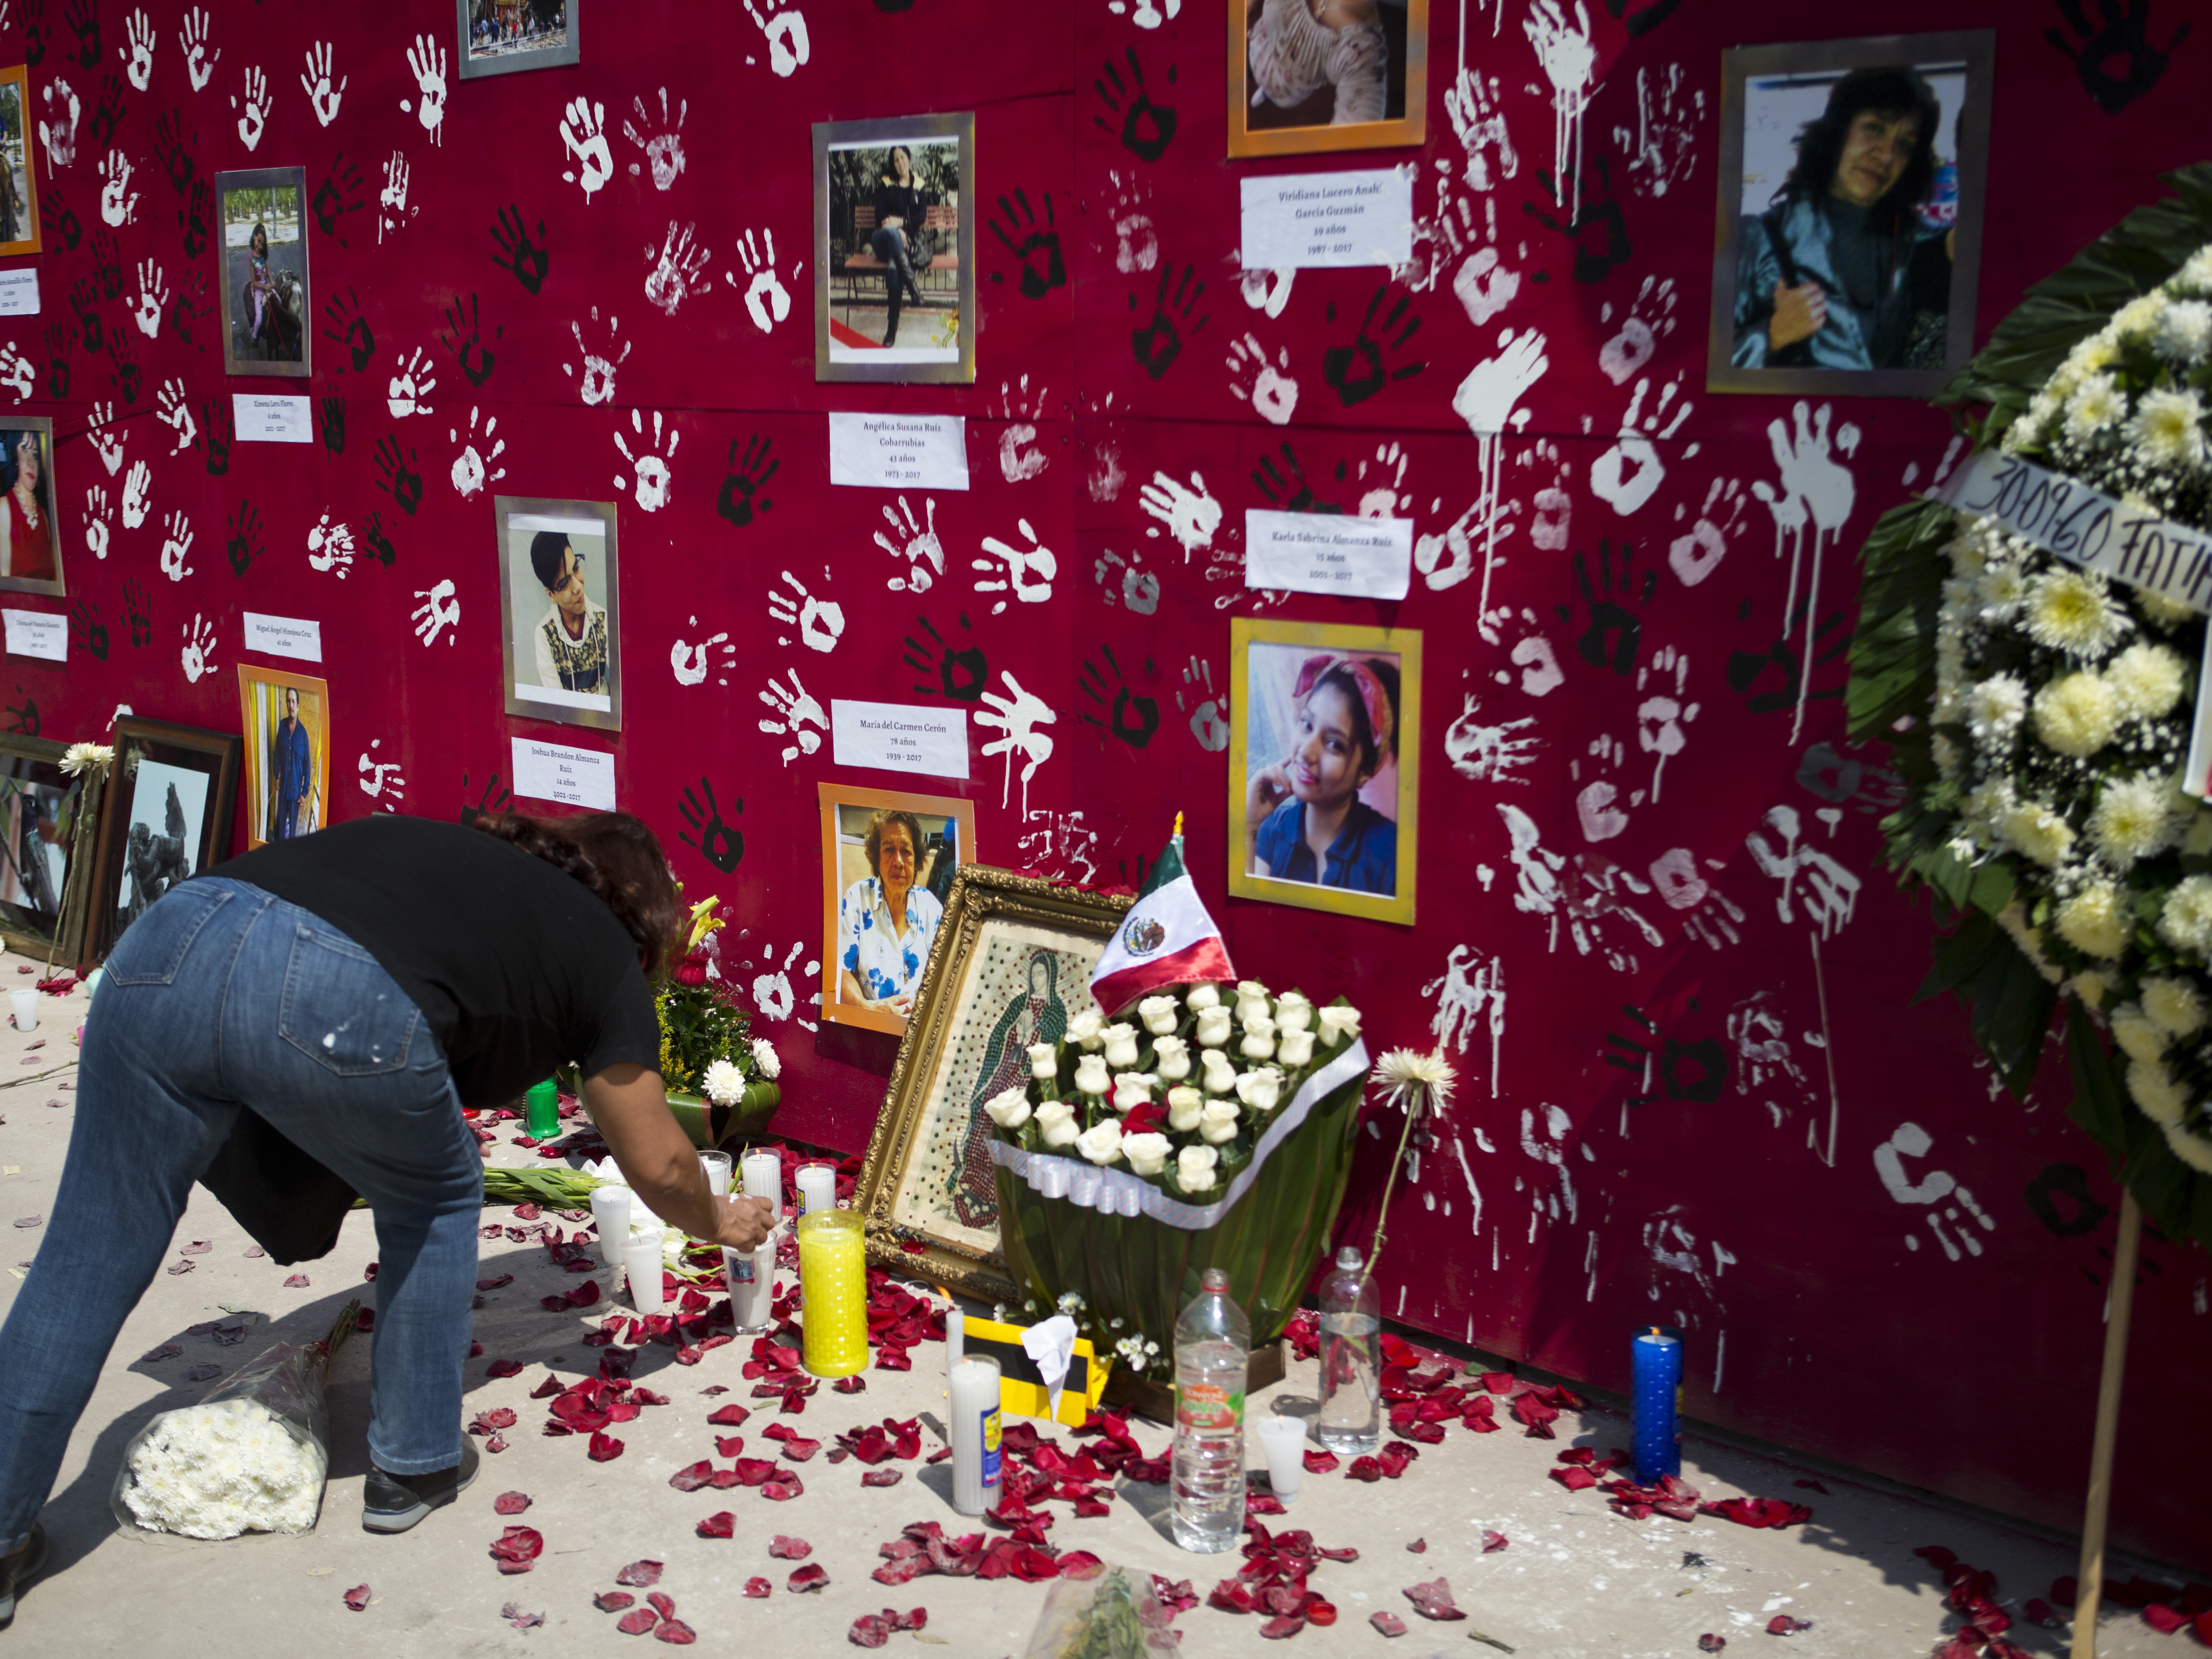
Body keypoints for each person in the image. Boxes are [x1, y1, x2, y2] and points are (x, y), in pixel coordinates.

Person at [0, 811, 775, 1622]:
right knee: (437, 1193)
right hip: (322, 984)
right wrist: (717, 1219)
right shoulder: (606, 951)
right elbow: (660, 1162)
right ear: (645, 917)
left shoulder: (458, 861)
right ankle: (416, 1460)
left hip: (163, 942)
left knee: (85, 1257)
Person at [1730, 65, 1952, 372]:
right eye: (1874, 128)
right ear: (1838, 131)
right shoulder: (1758, 236)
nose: (1886, 156)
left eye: (1904, 145)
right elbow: (1703, 365)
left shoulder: (1920, 244)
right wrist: (1771, 335)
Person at [1245, 653, 1399, 895]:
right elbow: (1251, 921)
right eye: (1306, 725)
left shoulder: (1391, 853)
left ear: (1365, 772)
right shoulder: (1272, 832)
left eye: (1334, 744)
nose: (1306, 752)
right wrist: (1251, 824)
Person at [836, 809, 942, 1019]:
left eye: (906, 851)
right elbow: (841, 971)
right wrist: (869, 1009)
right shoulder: (857, 899)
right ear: (877, 857)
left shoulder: (931, 907)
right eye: (888, 850)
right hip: (872, 1027)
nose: (899, 861)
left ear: (917, 858)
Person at [1248, 0, 1393, 127]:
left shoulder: (1364, 57)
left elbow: (1353, 147)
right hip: (1260, 42)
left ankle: (1267, 93)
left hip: (1285, 91)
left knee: (1272, 91)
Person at [528, 531, 610, 699]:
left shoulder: (603, 619)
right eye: (565, 583)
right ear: (551, 594)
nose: (578, 587)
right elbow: (556, 700)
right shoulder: (544, 634)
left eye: (576, 569)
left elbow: (623, 678)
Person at [870, 146, 931, 348]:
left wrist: (899, 224)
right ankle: (914, 290)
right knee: (889, 233)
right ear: (893, 164)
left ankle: (891, 331)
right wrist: (899, 230)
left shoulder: (919, 185)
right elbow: (880, 216)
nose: (900, 163)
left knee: (895, 268)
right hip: (883, 240)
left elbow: (921, 216)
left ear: (910, 159)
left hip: (901, 249)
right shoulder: (886, 183)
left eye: (903, 158)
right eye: (896, 160)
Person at [0, 431, 53, 584]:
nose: (31, 463)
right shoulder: (4, 507)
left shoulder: (44, 515)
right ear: (16, 460)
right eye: (25, 450)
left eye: (35, 455)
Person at [243, 223, 300, 362]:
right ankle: (255, 336)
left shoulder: (263, 256)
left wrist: (271, 281)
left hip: (268, 286)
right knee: (259, 318)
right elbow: (254, 282)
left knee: (280, 303)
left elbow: (267, 270)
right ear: (254, 238)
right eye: (258, 242)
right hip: (259, 290)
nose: (260, 246)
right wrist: (265, 287)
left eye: (262, 244)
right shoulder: (251, 258)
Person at [269, 686, 315, 842]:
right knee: (280, 831)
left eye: (293, 701)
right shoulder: (282, 727)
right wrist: (277, 775)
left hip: (296, 793)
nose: (291, 705)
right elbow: (277, 752)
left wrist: (304, 793)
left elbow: (307, 766)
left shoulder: (303, 734)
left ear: (298, 706)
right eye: (288, 701)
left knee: (292, 837)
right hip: (283, 788)